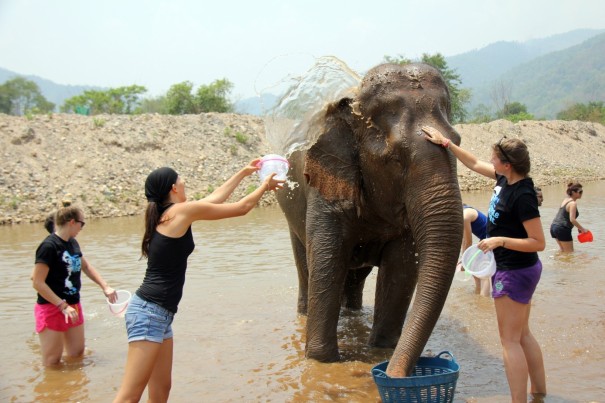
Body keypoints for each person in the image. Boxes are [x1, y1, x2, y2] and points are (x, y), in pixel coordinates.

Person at [113, 160, 284, 403]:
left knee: (161, 391)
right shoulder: (181, 212)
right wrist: (264, 185)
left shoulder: (171, 213)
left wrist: (243, 173)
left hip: (160, 314)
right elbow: (242, 207)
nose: (184, 183)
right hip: (148, 313)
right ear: (173, 187)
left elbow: (215, 197)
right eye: (181, 179)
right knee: (129, 397)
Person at [423, 127, 546, 403]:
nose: (489, 161)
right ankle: (539, 393)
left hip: (515, 271)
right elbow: (474, 163)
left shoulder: (522, 195)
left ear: (508, 164)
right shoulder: (504, 179)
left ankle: (519, 401)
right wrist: (446, 144)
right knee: (523, 334)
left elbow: (538, 242)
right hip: (519, 268)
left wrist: (500, 240)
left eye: (494, 158)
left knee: (509, 341)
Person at [32, 204, 118, 366]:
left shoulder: (72, 243)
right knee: (52, 361)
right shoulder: (49, 247)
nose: (82, 228)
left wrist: (105, 286)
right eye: (82, 224)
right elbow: (37, 282)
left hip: (73, 305)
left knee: (77, 354)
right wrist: (62, 305)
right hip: (52, 307)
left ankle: (72, 388)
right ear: (72, 222)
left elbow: (85, 266)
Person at [461, 204, 491, 296]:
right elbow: (464, 240)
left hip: (491, 239)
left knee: (483, 273)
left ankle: (483, 300)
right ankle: (478, 292)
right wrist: (463, 259)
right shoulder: (465, 211)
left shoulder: (465, 216)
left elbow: (468, 241)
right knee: (474, 267)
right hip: (485, 239)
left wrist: (464, 262)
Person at [549, 182, 588, 252]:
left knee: (563, 251)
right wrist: (582, 229)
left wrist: (578, 228)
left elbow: (563, 216)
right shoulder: (573, 203)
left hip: (554, 227)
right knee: (569, 253)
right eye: (580, 192)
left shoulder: (566, 200)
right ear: (573, 192)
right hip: (562, 228)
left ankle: (558, 263)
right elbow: (572, 219)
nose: (582, 193)